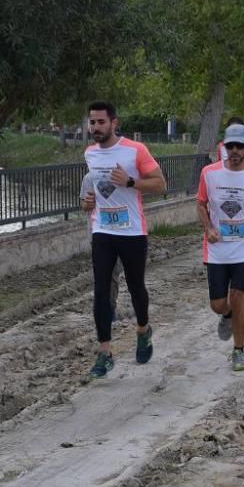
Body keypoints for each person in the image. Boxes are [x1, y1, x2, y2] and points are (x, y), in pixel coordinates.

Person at [80, 101, 167, 378]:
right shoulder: (90, 153)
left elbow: (160, 184)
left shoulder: (135, 150)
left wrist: (130, 182)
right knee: (102, 291)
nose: (95, 128)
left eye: (101, 122)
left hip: (132, 231)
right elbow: (91, 193)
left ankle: (143, 329)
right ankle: (104, 352)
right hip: (103, 230)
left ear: (114, 123)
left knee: (135, 286)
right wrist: (88, 202)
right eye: (92, 122)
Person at [196, 123, 244, 371]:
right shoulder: (209, 173)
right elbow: (201, 204)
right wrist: (208, 228)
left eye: (239, 146)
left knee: (238, 296)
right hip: (218, 247)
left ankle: (239, 351)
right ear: (224, 146)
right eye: (230, 145)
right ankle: (227, 315)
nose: (234, 150)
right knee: (218, 304)